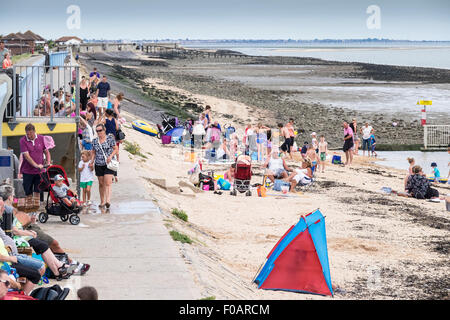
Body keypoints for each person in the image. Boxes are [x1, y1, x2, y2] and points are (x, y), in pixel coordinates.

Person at [90, 124, 118, 210]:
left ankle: (108, 201)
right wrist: (91, 161)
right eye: (97, 131)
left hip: (108, 164)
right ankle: (102, 201)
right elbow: (93, 152)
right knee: (101, 183)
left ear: (104, 130)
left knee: (108, 182)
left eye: (100, 130)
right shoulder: (94, 141)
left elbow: (116, 149)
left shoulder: (110, 139)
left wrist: (110, 156)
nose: (99, 132)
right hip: (98, 164)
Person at [20, 124, 51, 200]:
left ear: (34, 132)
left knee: (38, 191)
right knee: (28, 191)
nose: (29, 136)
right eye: (27, 134)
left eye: (31, 134)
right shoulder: (23, 140)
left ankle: (37, 208)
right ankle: (30, 208)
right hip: (27, 171)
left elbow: (46, 152)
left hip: (39, 172)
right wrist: (36, 165)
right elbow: (27, 156)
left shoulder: (41, 138)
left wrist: (48, 162)